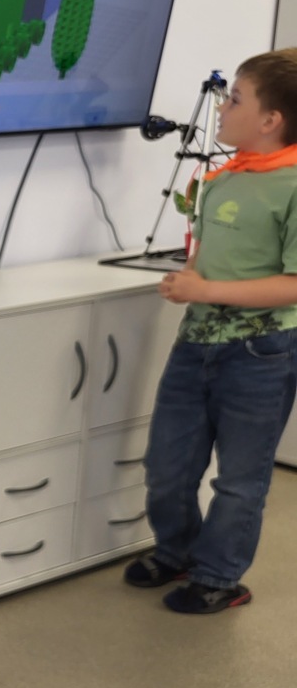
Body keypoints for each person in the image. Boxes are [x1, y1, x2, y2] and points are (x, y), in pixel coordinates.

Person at [125, 48, 297, 613]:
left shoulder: (292, 185)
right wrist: (192, 278)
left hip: (262, 354)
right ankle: (177, 551)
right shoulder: (226, 177)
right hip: (195, 343)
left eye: (235, 99)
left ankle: (220, 576)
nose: (222, 108)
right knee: (167, 464)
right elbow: (208, 253)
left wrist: (203, 290)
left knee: (240, 479)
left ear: (271, 120)